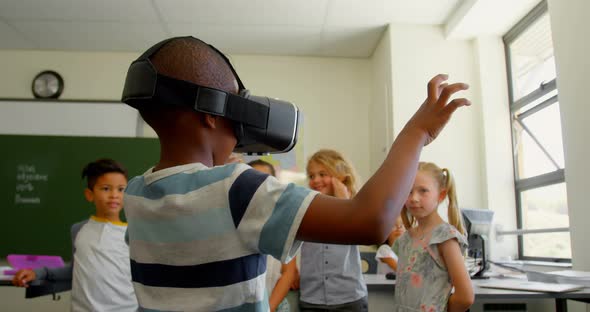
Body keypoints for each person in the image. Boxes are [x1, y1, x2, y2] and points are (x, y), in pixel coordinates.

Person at [121, 36, 470, 311]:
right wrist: (417, 132)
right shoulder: (233, 188)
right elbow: (371, 221)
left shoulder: (136, 194)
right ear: (212, 113)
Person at [12, 158, 137, 312]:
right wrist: (38, 272)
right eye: (106, 188)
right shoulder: (78, 230)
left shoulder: (134, 233)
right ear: (89, 194)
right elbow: (74, 270)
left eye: (121, 189)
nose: (114, 195)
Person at [392, 162, 474, 312]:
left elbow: (465, 297)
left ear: (441, 195)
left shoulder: (445, 238)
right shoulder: (405, 239)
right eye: (408, 191)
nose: (414, 198)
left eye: (423, 191)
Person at [298, 149, 368, 311]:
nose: (316, 180)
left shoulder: (355, 207)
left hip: (349, 299)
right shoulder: (304, 210)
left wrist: (344, 202)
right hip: (311, 299)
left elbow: (360, 235)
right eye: (311, 176)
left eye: (323, 174)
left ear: (339, 176)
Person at [248, 159, 297, 312]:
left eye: (265, 181)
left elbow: (288, 272)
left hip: (272, 305)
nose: (259, 187)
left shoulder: (284, 223)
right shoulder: (232, 220)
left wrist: (269, 309)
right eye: (253, 181)